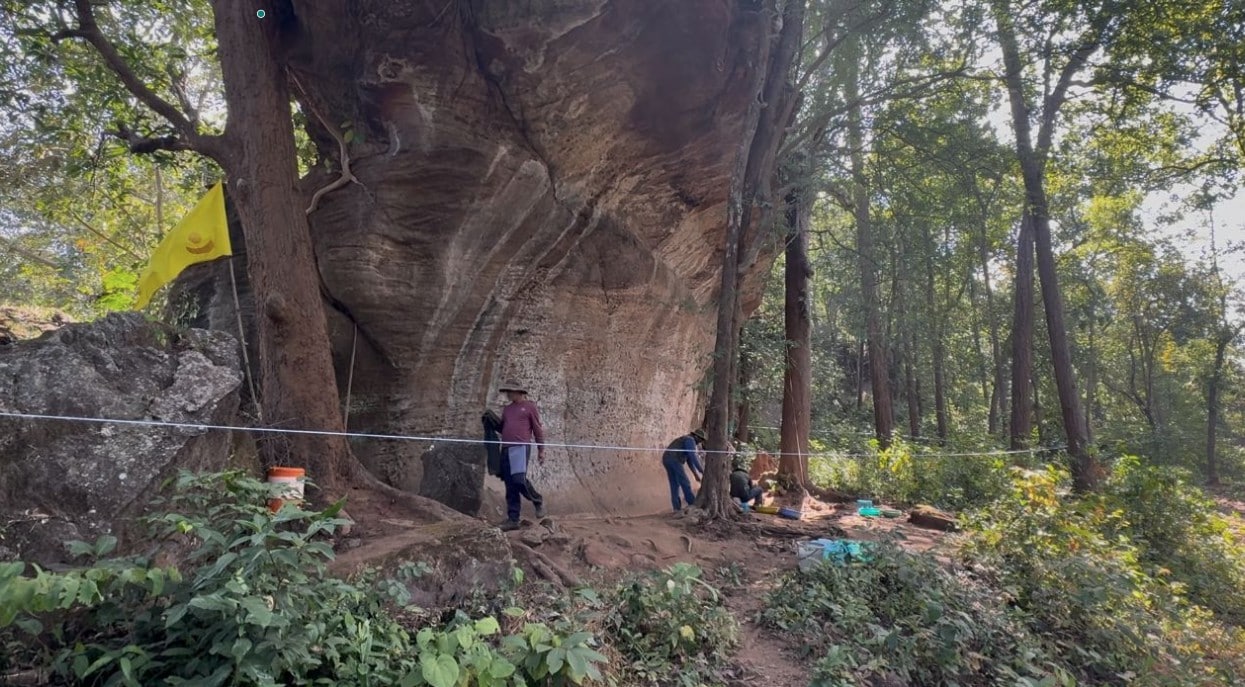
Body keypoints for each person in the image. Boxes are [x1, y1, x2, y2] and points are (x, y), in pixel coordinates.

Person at [497, 381, 546, 530]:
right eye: (507, 391)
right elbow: (504, 428)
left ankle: (537, 500)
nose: (508, 394)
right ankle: (513, 519)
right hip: (506, 448)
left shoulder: (530, 407)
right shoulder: (507, 409)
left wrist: (541, 449)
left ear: (519, 392)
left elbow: (537, 429)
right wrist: (492, 422)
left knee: (518, 479)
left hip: (520, 447)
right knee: (510, 484)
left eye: (511, 391)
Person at [662, 428, 705, 512]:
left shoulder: (685, 439)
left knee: (674, 484)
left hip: (666, 459)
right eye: (700, 439)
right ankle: (692, 504)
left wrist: (696, 475)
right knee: (685, 482)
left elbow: (689, 461)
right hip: (674, 459)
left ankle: (676, 508)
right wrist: (702, 470)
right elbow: (693, 457)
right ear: (696, 436)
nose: (699, 442)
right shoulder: (690, 440)